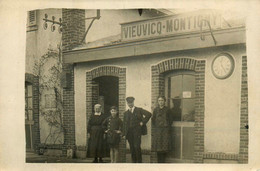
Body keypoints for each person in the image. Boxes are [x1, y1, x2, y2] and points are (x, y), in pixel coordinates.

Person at [122, 96, 152, 163]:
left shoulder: (139, 110)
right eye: (128, 103)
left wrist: (143, 122)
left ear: (133, 102)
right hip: (129, 133)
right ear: (127, 103)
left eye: (131, 102)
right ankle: (134, 162)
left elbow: (149, 114)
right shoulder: (125, 113)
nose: (130, 104)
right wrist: (124, 133)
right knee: (132, 148)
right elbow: (124, 124)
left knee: (137, 147)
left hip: (137, 132)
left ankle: (139, 162)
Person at [151, 96, 173, 163]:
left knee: (164, 147)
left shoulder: (168, 110)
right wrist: (156, 127)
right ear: (158, 101)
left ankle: (163, 162)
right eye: (159, 100)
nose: (161, 102)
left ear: (165, 101)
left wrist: (166, 127)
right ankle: (159, 163)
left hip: (165, 131)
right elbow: (153, 119)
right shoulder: (155, 110)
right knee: (158, 147)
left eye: (162, 100)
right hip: (158, 131)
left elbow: (170, 120)